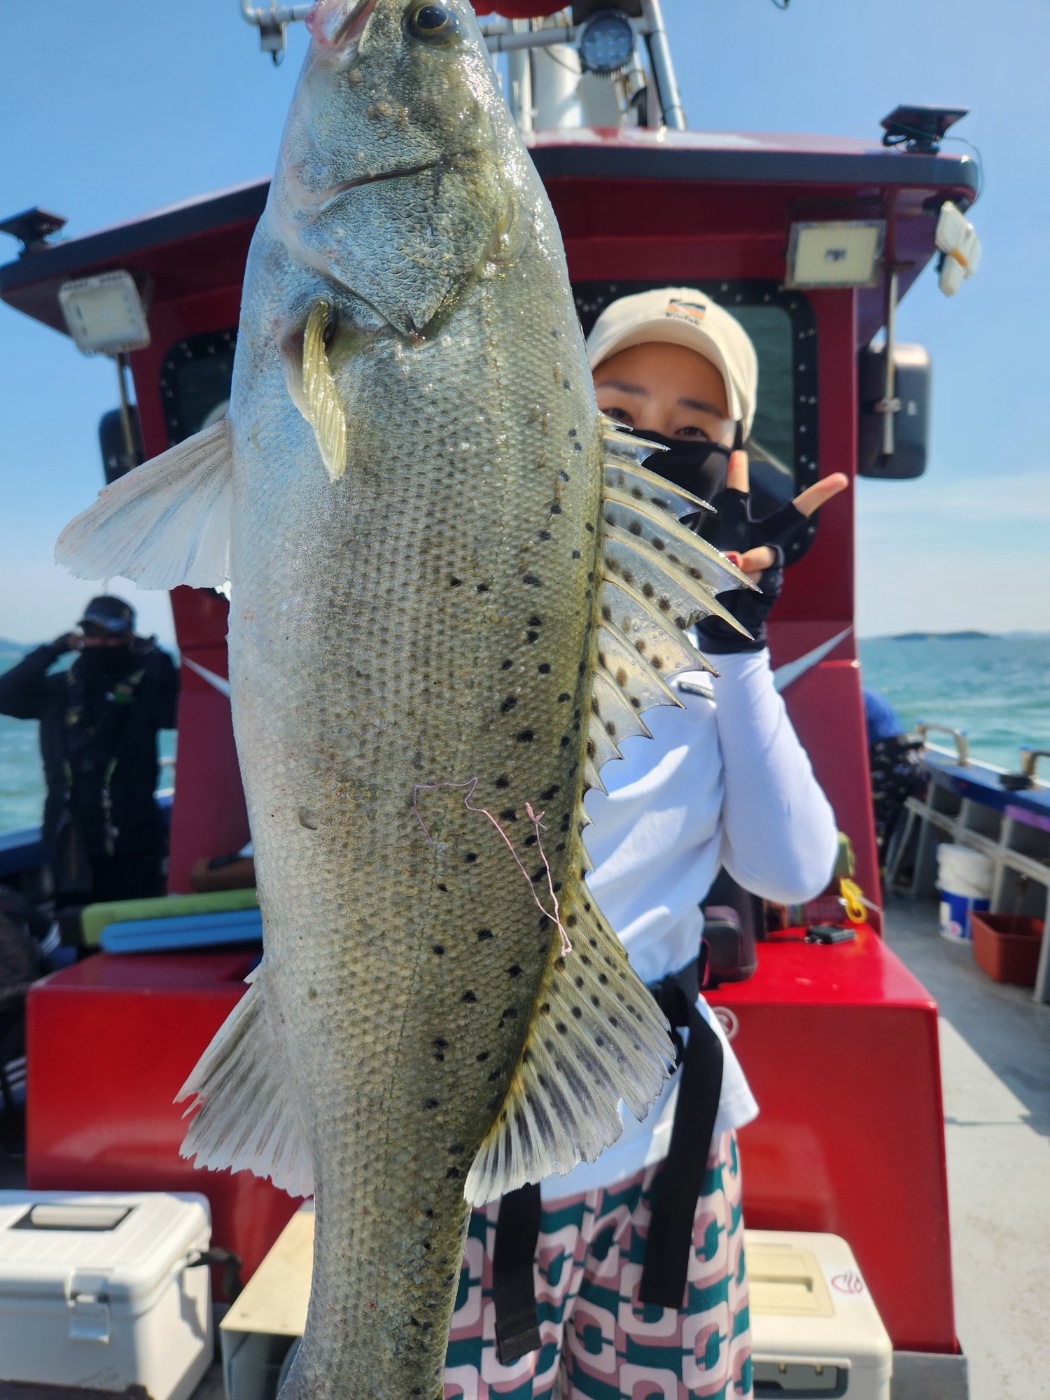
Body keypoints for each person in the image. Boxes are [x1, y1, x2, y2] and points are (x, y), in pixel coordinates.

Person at [445, 289, 845, 1400]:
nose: (651, 442)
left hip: (671, 1143)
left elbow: (792, 870)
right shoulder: (473, 608)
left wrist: (738, 646)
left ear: (731, 463)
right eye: (617, 412)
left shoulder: (717, 661)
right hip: (484, 1153)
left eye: (692, 430)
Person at [0, 595, 179, 908]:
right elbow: (5, 694)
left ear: (128, 638)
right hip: (72, 838)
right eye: (92, 633)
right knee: (79, 924)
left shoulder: (145, 687)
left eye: (111, 635)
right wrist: (53, 650)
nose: (101, 642)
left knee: (138, 919)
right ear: (81, 637)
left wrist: (156, 657)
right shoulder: (58, 690)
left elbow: (178, 711)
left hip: (134, 837)